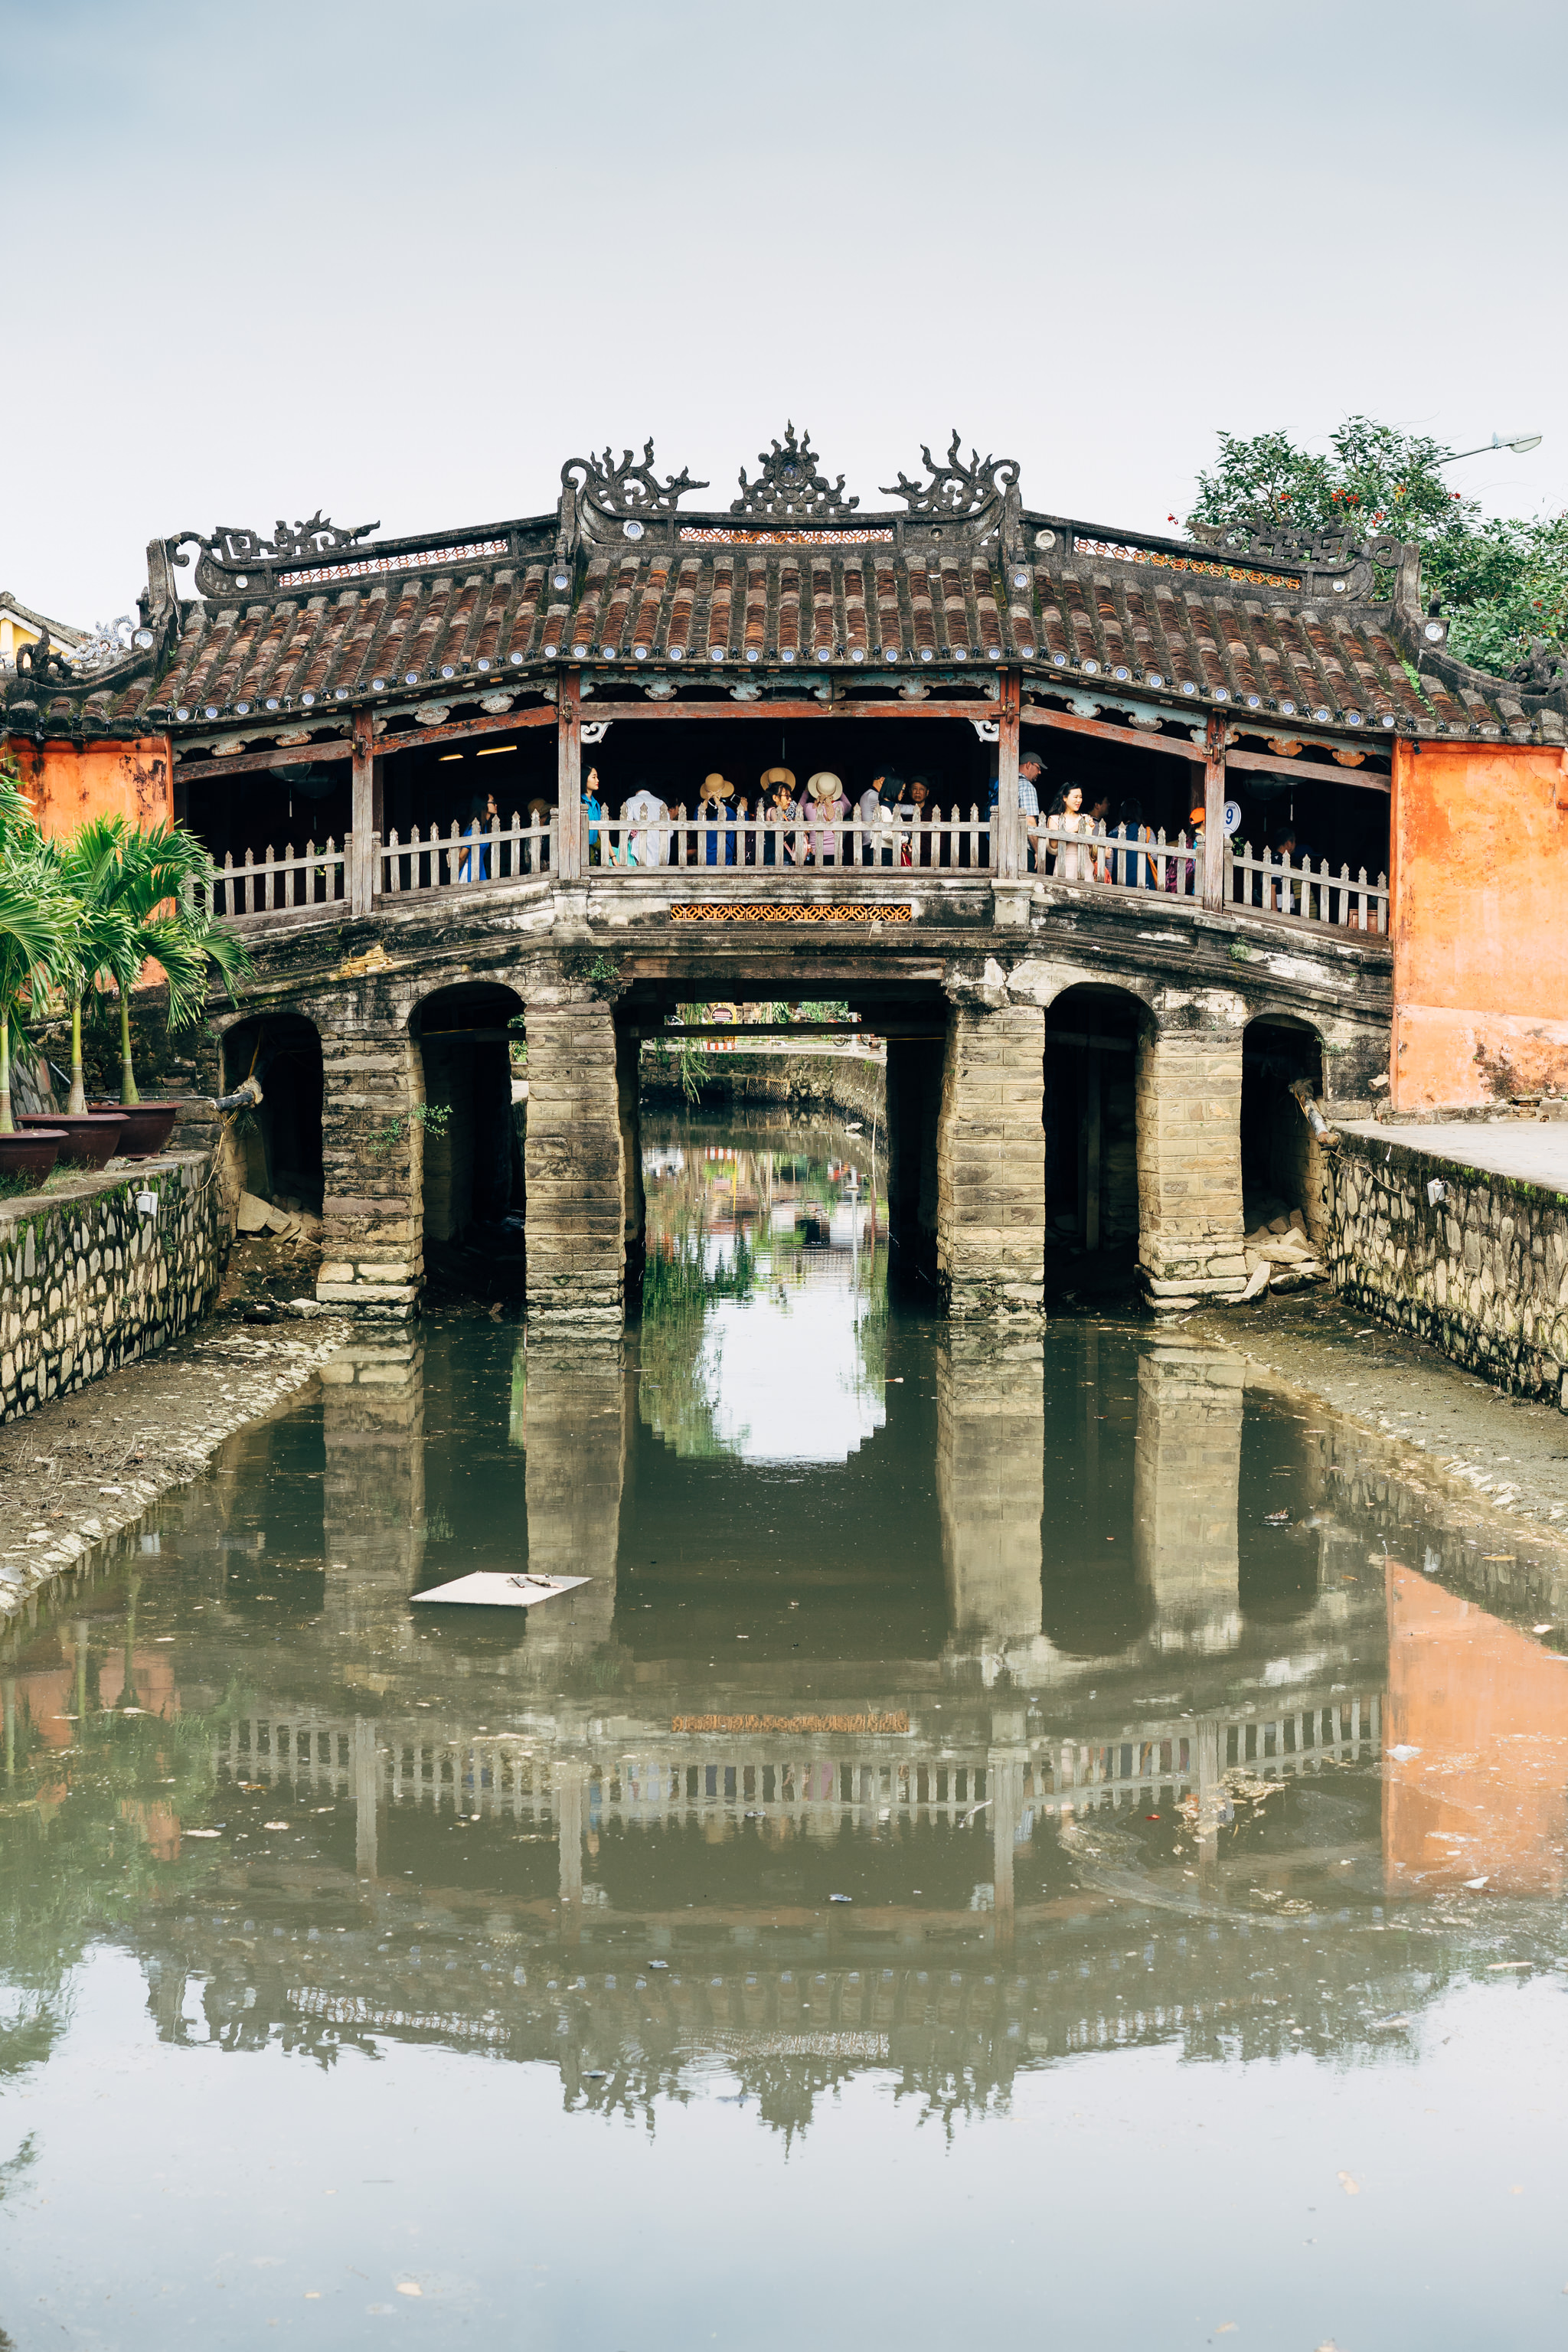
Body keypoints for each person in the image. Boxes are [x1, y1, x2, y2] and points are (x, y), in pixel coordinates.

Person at [799, 772, 849, 866]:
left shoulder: (809, 807)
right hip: (835, 852)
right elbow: (849, 805)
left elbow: (798, 809)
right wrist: (839, 791)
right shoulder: (840, 806)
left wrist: (806, 791)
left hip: (815, 852)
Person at [622, 779, 670, 867]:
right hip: (659, 856)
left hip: (639, 855)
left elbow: (626, 831)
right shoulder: (660, 803)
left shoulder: (631, 802)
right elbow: (670, 832)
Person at [697, 771, 739, 866]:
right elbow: (744, 826)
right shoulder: (728, 811)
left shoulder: (698, 810)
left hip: (705, 856)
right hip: (725, 857)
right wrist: (745, 811)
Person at [1047, 783, 1088, 879]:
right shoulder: (1054, 819)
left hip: (1086, 864)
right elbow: (1054, 844)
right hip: (1066, 864)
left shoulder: (1085, 818)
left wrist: (1090, 829)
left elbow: (1090, 848)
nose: (1079, 800)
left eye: (1081, 797)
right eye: (1075, 797)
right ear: (1065, 798)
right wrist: (1075, 829)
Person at [760, 767, 798, 867]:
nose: (790, 800)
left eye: (790, 797)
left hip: (779, 856)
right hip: (776, 857)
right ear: (775, 797)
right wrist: (793, 827)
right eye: (787, 796)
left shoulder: (780, 813)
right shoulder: (773, 811)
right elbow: (780, 829)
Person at [1114, 795, 1153, 888]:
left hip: (1120, 880)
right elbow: (1155, 856)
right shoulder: (1148, 832)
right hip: (1143, 880)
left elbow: (1109, 862)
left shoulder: (1113, 833)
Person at [459, 790, 497, 881]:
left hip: (479, 869)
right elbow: (462, 856)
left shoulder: (485, 827)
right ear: (483, 804)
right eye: (493, 802)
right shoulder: (474, 828)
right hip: (468, 872)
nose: (496, 805)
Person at [1018, 753, 1044, 868]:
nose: (1040, 772)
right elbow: (1029, 821)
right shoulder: (1027, 787)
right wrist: (1038, 851)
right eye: (1038, 768)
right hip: (1022, 851)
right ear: (1029, 765)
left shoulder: (1006, 783)